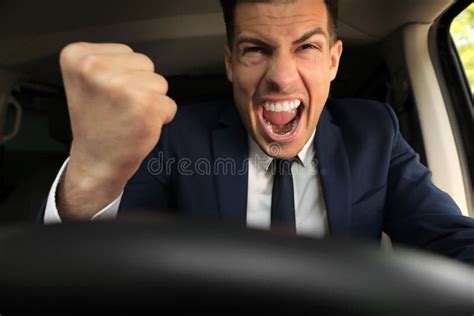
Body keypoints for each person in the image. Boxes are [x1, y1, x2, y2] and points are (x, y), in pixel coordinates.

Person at [40, 0, 474, 263]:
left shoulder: (374, 131)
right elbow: (107, 259)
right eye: (256, 50)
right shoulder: (177, 136)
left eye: (306, 47)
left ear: (333, 61)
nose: (281, 78)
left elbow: (446, 236)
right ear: (230, 62)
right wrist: (91, 176)